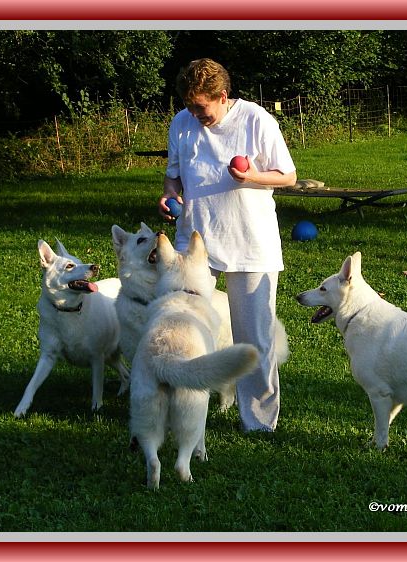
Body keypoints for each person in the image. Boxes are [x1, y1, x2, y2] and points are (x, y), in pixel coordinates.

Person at [159, 58, 297, 433]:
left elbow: (288, 175)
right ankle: (179, 410)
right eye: (188, 106)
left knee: (254, 337)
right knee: (181, 329)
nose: (193, 113)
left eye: (200, 107)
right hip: (197, 244)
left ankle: (258, 423)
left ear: (222, 96)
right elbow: (173, 178)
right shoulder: (181, 124)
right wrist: (169, 195)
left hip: (251, 243)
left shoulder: (256, 120)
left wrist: (251, 175)